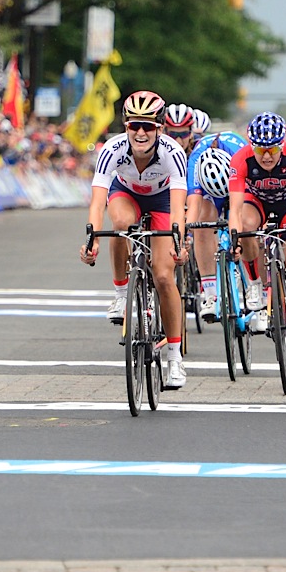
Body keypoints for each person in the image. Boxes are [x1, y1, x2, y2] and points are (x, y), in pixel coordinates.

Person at [79, 90, 189, 389]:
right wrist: (92, 239)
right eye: (134, 126)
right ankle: (121, 294)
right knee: (121, 224)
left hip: (163, 200)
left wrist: (180, 242)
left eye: (148, 126)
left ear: (160, 128)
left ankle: (175, 358)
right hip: (125, 193)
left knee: (165, 277)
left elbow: (179, 206)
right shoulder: (112, 149)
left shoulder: (173, 153)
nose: (140, 133)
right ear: (125, 125)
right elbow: (97, 199)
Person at [227, 111, 286, 370]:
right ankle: (255, 284)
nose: (267, 156)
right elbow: (234, 209)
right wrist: (235, 238)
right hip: (255, 203)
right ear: (251, 145)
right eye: (260, 149)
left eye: (272, 149)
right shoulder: (240, 160)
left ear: (282, 145)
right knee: (246, 227)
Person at [185, 129, 247, 320]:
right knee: (203, 222)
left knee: (246, 219)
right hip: (210, 187)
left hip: (238, 184)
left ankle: (253, 284)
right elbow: (193, 207)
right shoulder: (194, 162)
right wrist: (186, 236)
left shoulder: (242, 154)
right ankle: (210, 293)